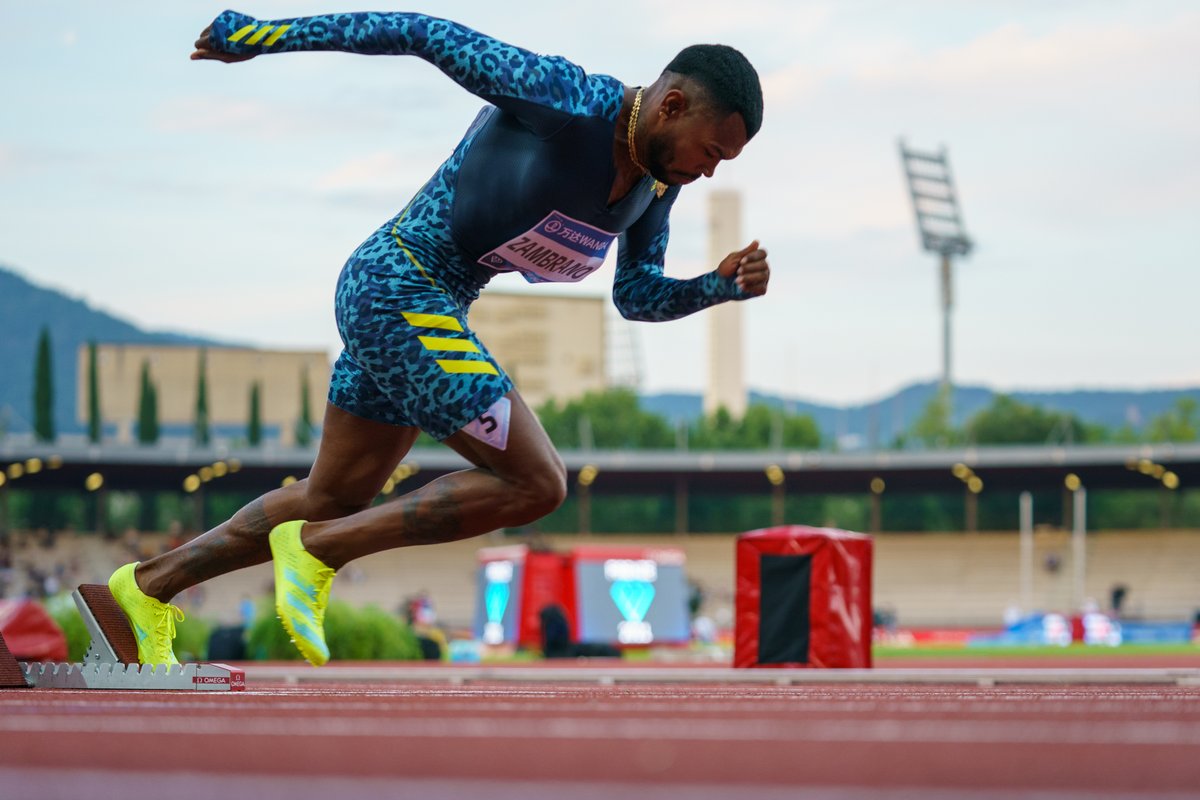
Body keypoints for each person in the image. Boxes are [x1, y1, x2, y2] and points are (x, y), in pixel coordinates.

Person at [108, 8, 769, 666]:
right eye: (711, 152)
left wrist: (718, 285)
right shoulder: (564, 98)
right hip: (397, 283)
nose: (708, 172)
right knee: (537, 482)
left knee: (331, 497)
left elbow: (637, 296)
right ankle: (318, 549)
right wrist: (263, 36)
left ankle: (144, 588)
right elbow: (421, 34)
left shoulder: (656, 187)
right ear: (671, 107)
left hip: (431, 305)